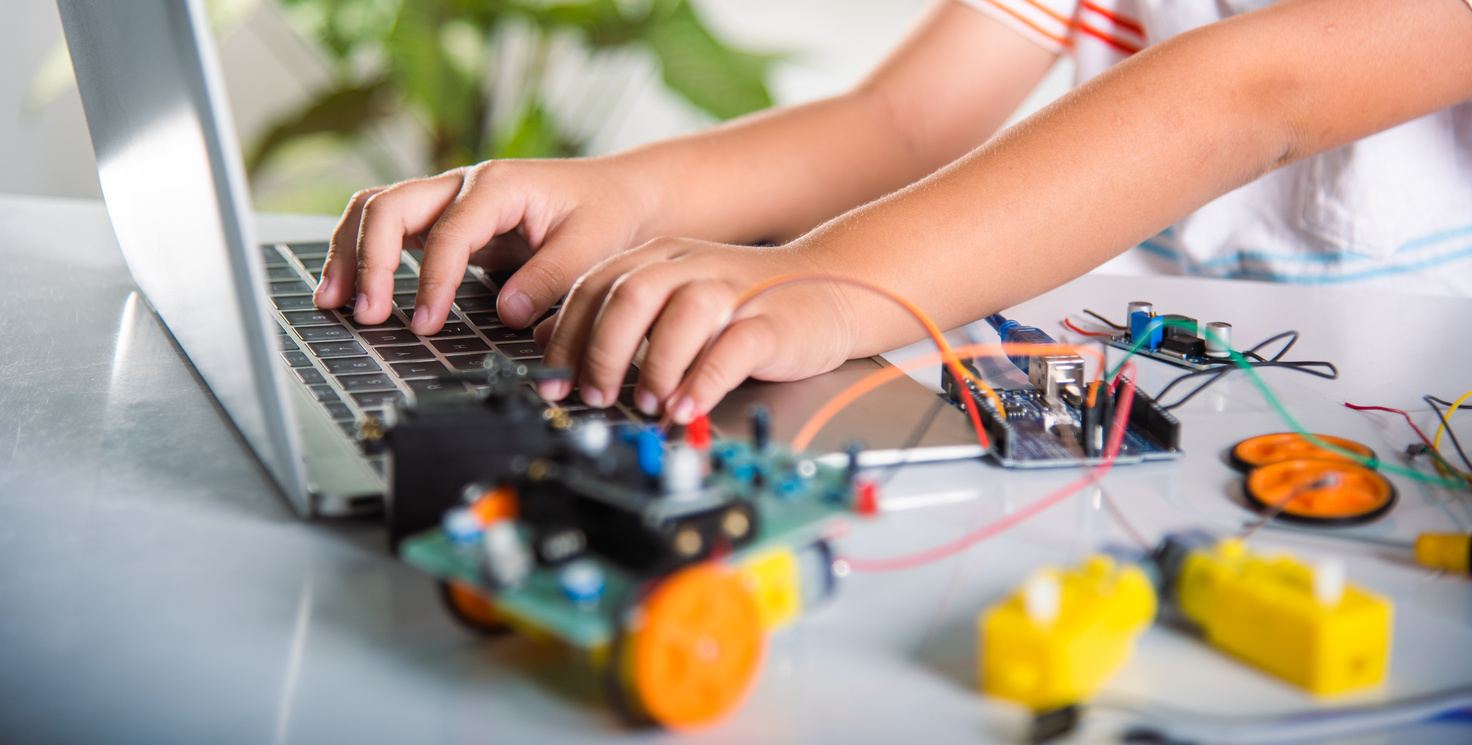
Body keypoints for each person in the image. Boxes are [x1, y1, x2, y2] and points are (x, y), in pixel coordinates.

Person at [313, 0, 1472, 425]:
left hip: (1400, 432)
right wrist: (627, 192)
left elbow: (1254, 93)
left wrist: (834, 276)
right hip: (1169, 416)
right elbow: (905, 121)